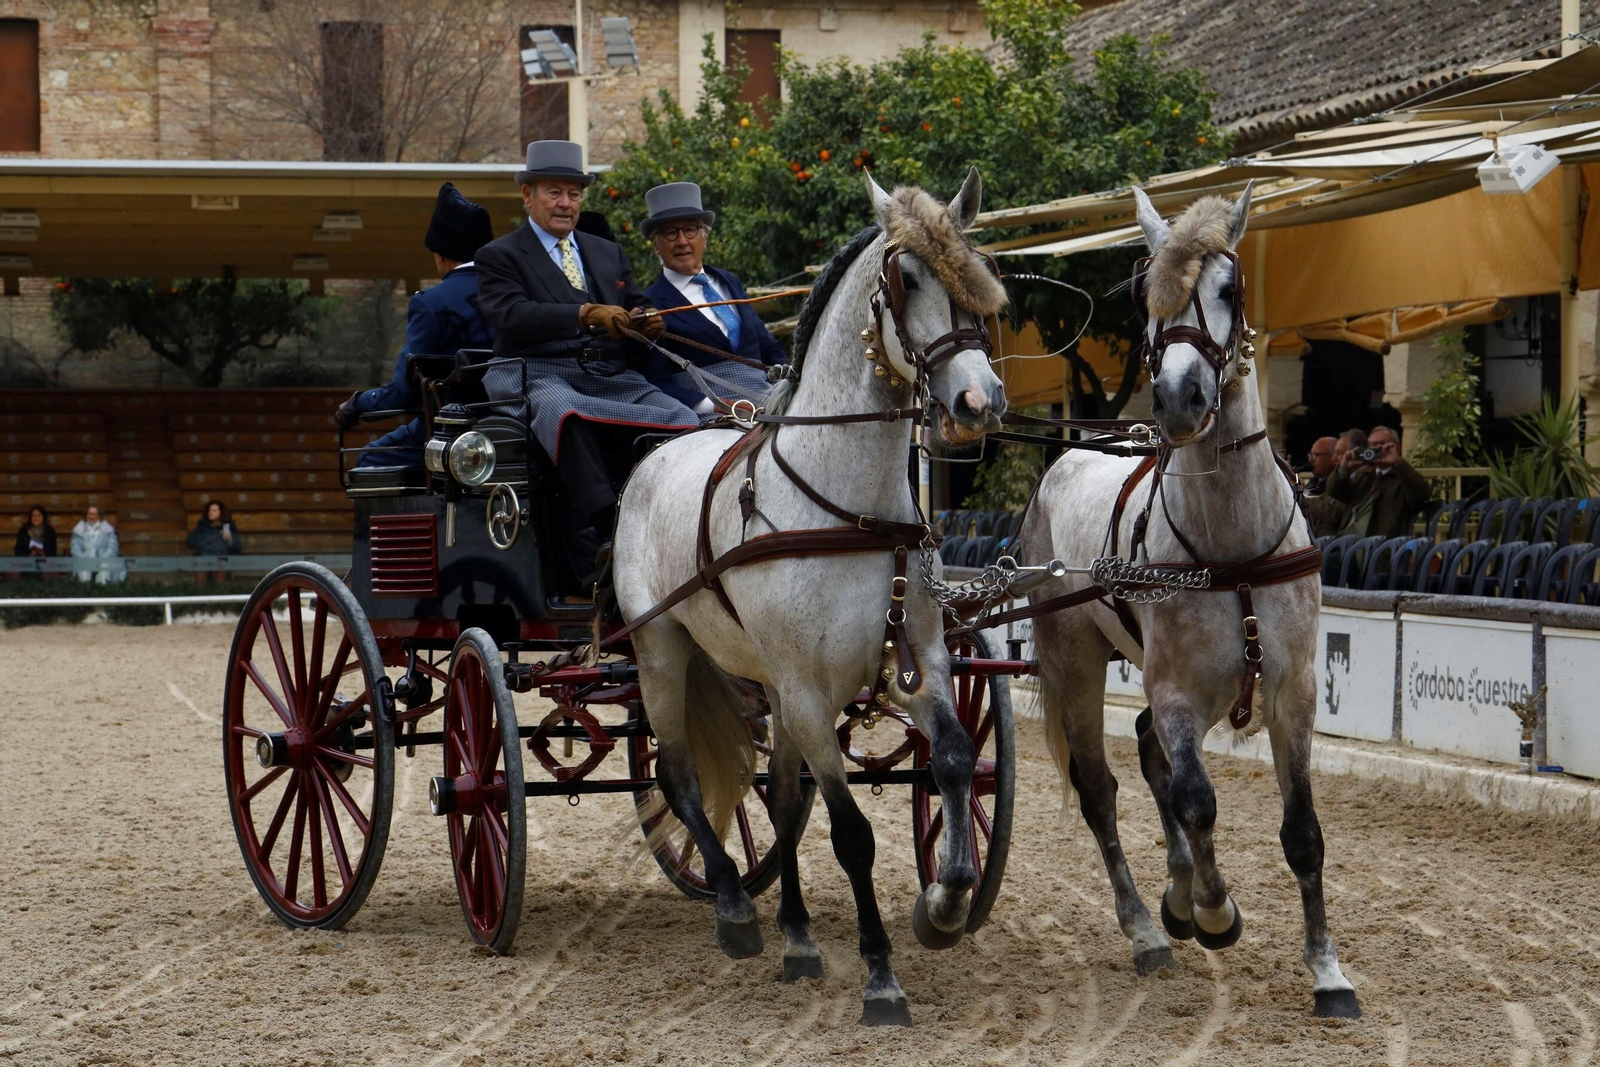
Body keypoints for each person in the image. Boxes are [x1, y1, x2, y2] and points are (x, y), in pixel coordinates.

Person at [476, 139, 693, 593]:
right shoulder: (501, 255)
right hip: (536, 371)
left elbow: (635, 302)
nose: (566, 204)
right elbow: (509, 314)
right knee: (565, 412)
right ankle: (610, 529)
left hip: (609, 375)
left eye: (574, 194)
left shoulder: (604, 251)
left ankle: (676, 520)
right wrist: (583, 313)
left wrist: (648, 319)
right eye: (554, 192)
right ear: (528, 196)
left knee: (684, 418)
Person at [336, 183, 496, 467]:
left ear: (440, 255)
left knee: (369, 460)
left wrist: (357, 404)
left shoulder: (431, 303)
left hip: (450, 432)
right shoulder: (513, 293)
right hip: (511, 429)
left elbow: (406, 391)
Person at [637, 182, 788, 412]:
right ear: (656, 245)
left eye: (690, 229)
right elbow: (656, 382)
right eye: (670, 233)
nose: (682, 241)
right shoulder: (650, 305)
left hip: (769, 404)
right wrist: (712, 405)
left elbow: (768, 347)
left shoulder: (730, 282)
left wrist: (788, 380)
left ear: (704, 237)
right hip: (711, 420)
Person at [1328, 425, 1431, 539]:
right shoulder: (1364, 475)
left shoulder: (1402, 478)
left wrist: (1397, 462)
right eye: (1373, 445)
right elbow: (1335, 492)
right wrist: (1343, 468)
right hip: (1348, 541)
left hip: (1379, 548)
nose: (1378, 448)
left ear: (1397, 448)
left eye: (1383, 444)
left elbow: (1422, 495)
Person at [1300, 436, 1350, 538]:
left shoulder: (1342, 483)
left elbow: (1332, 513)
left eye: (1316, 455)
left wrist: (1299, 495)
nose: (1311, 460)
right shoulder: (1314, 481)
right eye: (1311, 455)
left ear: (1332, 456)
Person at [187, 501, 243, 583]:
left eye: (214, 511)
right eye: (209, 510)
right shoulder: (202, 527)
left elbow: (238, 548)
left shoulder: (228, 527)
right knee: (200, 567)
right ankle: (199, 593)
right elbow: (190, 541)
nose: (211, 513)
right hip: (204, 557)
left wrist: (229, 539)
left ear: (221, 513)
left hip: (221, 558)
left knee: (221, 568)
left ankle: (219, 593)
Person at [70, 504, 123, 584]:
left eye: (94, 514)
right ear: (86, 515)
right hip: (84, 560)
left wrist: (102, 560)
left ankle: (102, 593)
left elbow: (112, 549)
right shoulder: (78, 530)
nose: (91, 516)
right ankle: (84, 593)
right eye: (89, 514)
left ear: (99, 516)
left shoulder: (108, 530)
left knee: (104, 569)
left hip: (103, 561)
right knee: (83, 569)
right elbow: (75, 549)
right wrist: (84, 559)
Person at [12, 505, 57, 579]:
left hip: (45, 563)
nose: (36, 518)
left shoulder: (49, 531)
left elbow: (52, 551)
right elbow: (18, 550)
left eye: (39, 516)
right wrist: (30, 553)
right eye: (34, 516)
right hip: (26, 563)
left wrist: (42, 553)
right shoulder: (24, 530)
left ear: (43, 517)